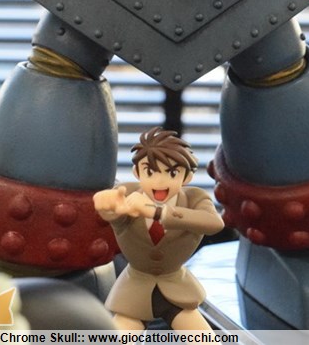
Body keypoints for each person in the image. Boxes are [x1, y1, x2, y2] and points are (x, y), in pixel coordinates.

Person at [93, 127, 224, 330]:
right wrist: (108, 210)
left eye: (172, 173)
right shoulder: (126, 193)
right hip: (134, 291)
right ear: (137, 172)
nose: (160, 181)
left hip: (178, 290)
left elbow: (214, 223)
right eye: (150, 172)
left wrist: (158, 212)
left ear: (187, 177)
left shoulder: (195, 198)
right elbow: (117, 219)